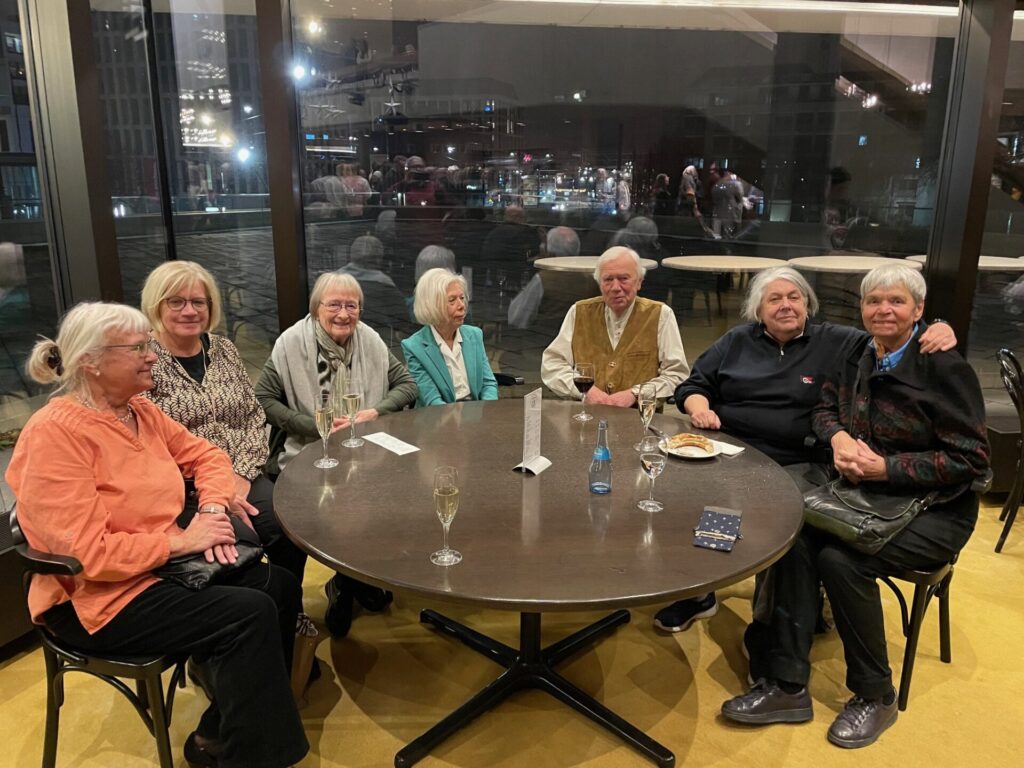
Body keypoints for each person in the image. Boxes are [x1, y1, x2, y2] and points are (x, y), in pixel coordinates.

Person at [5, 302, 308, 768]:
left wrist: (212, 508)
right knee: (248, 614)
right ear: (91, 361)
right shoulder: (54, 435)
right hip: (96, 598)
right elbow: (90, 555)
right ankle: (250, 752)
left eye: (149, 344)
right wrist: (185, 541)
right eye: (138, 348)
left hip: (158, 567)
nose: (152, 355)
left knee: (280, 586)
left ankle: (221, 732)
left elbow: (207, 455)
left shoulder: (138, 410)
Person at [720, 263, 989, 749]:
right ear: (861, 308)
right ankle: (787, 685)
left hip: (937, 510)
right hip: (865, 499)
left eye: (896, 301)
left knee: (840, 561)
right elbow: (824, 409)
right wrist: (840, 438)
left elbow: (971, 461)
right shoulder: (858, 353)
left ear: (918, 310)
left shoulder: (943, 367)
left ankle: (875, 694)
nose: (884, 310)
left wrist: (887, 468)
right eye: (873, 301)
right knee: (795, 535)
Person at [653, 266, 956, 636]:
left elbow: (892, 333)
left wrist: (938, 326)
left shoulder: (836, 341)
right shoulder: (737, 341)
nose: (785, 305)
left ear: (807, 304)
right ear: (758, 309)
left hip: (797, 459)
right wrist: (699, 408)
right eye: (774, 299)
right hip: (730, 450)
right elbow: (693, 385)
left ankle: (770, 630)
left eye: (793, 297)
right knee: (691, 496)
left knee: (772, 520)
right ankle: (701, 590)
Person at [255, 272, 417, 637]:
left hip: (365, 450)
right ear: (316, 308)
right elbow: (263, 398)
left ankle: (348, 580)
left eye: (351, 305)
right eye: (334, 305)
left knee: (391, 498)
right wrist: (313, 425)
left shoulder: (370, 339)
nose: (344, 314)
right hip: (308, 451)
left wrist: (375, 412)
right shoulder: (291, 343)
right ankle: (300, 605)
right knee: (318, 513)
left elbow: (407, 385)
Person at [140, 261, 308, 586]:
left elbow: (253, 417)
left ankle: (289, 605)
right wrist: (216, 487)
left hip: (243, 473)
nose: (190, 311)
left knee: (289, 527)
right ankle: (253, 606)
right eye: (176, 302)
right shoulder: (145, 360)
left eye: (198, 302)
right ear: (156, 305)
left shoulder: (224, 349)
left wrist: (240, 474)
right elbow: (148, 442)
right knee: (240, 541)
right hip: (184, 487)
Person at [541, 246, 689, 405]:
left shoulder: (661, 315)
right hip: (585, 414)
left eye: (624, 278)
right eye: (608, 280)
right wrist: (585, 391)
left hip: (639, 416)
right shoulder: (578, 312)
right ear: (599, 283)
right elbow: (552, 365)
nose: (616, 287)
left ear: (639, 282)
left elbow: (676, 375)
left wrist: (636, 394)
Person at [402, 268, 498, 406]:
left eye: (462, 298)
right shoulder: (414, 347)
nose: (461, 306)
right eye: (452, 300)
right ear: (432, 306)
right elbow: (432, 399)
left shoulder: (475, 335)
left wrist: (486, 411)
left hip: (477, 412)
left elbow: (488, 383)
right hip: (438, 416)